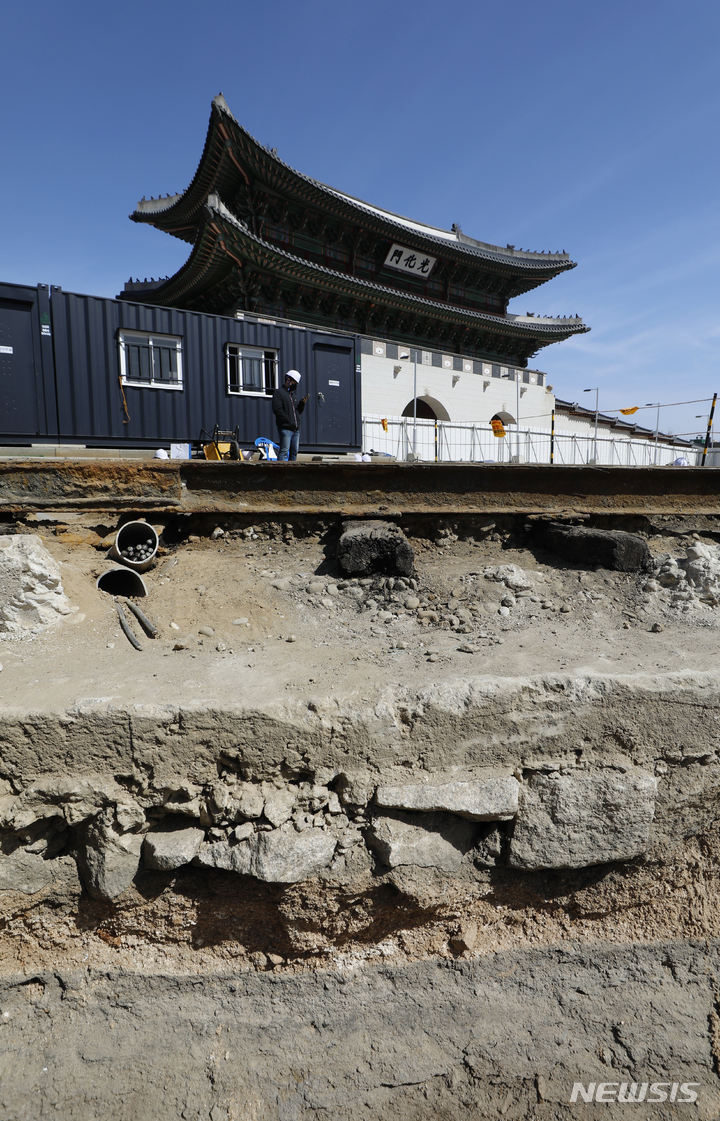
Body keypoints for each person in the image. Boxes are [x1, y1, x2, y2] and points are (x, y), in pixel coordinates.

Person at [272, 370, 309, 462]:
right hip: (285, 428)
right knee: (284, 451)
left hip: (295, 430)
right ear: (288, 380)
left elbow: (297, 412)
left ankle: (292, 472)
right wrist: (288, 421)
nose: (295, 385)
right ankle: (281, 472)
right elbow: (277, 410)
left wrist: (302, 403)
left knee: (294, 452)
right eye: (294, 382)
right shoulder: (279, 393)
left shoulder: (293, 396)